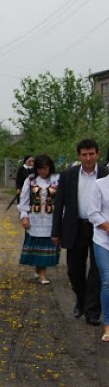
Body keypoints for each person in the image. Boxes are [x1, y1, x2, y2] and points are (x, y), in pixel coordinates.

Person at [51, 138, 109, 325]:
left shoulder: (105, 174)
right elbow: (59, 204)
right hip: (75, 226)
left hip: (99, 228)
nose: (88, 158)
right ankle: (81, 300)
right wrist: (56, 231)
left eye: (91, 154)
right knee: (74, 270)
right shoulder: (68, 175)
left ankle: (92, 311)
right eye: (84, 155)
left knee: (97, 271)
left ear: (97, 154)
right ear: (79, 156)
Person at [17, 155, 60, 284]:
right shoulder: (30, 180)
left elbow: (62, 200)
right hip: (35, 219)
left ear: (49, 167)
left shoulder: (57, 180)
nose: (43, 171)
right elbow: (24, 200)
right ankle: (39, 271)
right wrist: (24, 216)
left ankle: (42, 273)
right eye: (40, 169)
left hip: (50, 220)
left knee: (47, 246)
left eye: (45, 168)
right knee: (37, 246)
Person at [85, 169, 109, 342]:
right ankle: (108, 324)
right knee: (107, 280)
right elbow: (93, 213)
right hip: (103, 241)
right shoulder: (99, 185)